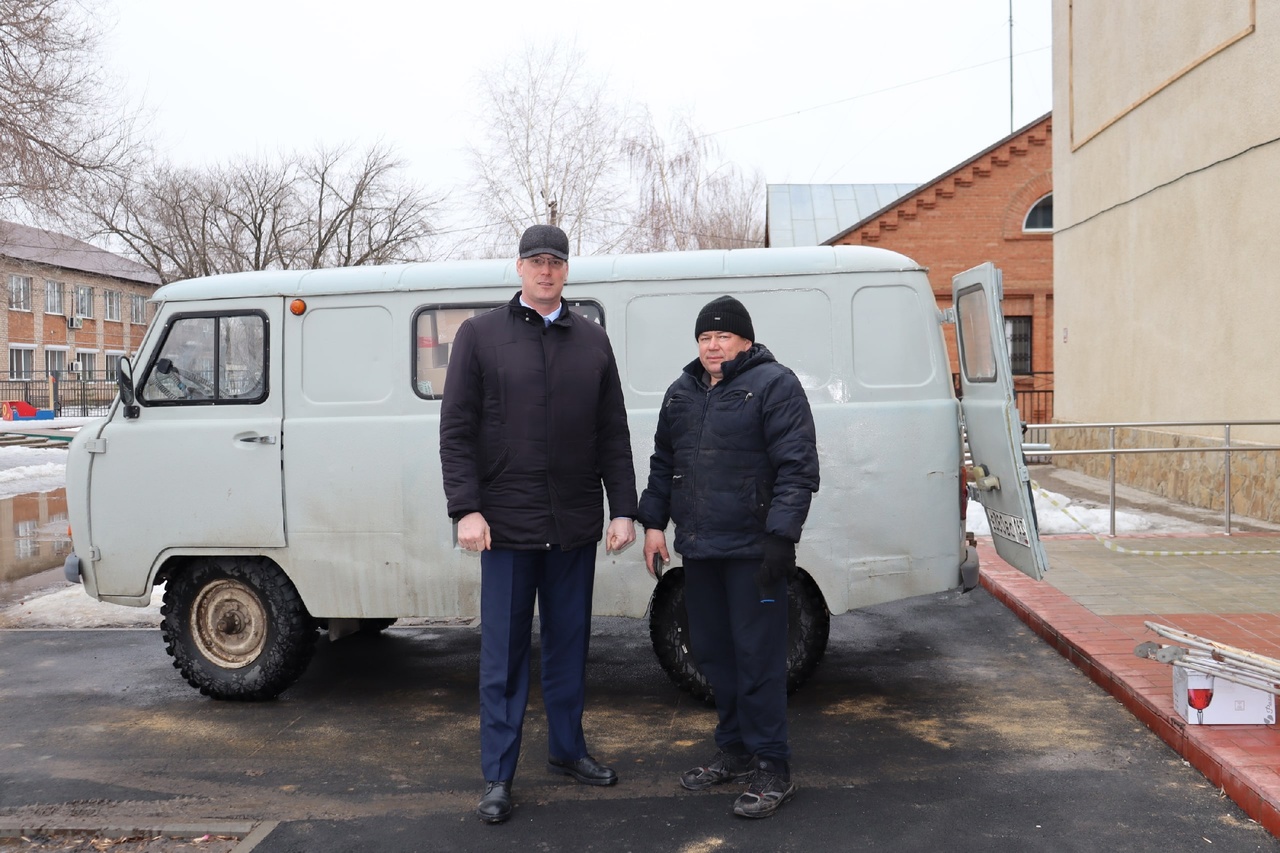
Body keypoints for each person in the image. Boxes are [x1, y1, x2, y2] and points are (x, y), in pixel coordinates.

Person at [439, 223, 638, 825]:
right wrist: (465, 508)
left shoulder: (593, 341)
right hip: (504, 527)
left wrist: (623, 507)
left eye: (555, 261)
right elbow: (456, 432)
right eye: (535, 262)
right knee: (503, 656)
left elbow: (613, 432)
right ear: (518, 269)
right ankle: (499, 775)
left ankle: (567, 751)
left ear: (567, 270)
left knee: (569, 648)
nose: (545, 271)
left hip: (574, 525)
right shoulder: (480, 336)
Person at [637, 295, 819, 819]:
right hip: (700, 548)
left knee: (759, 659)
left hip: (752, 550)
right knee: (715, 653)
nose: (713, 345)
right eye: (705, 337)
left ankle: (772, 768)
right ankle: (735, 750)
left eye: (723, 336)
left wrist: (781, 538)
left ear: (744, 339)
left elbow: (797, 467)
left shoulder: (774, 384)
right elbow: (663, 463)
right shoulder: (682, 392)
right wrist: (654, 524)